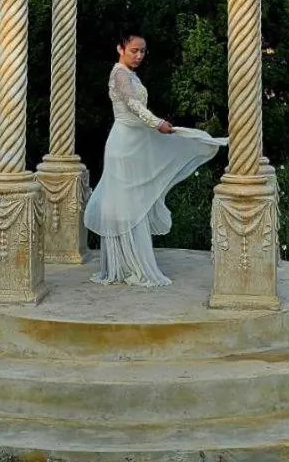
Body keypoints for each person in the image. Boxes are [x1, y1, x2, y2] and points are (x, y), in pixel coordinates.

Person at [83, 32, 227, 286]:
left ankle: (132, 261)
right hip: (124, 143)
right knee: (125, 200)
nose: (139, 56)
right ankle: (125, 264)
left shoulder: (131, 74)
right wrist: (157, 122)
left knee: (134, 199)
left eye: (142, 51)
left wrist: (156, 125)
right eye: (134, 50)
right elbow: (133, 105)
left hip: (137, 140)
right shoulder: (119, 73)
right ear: (120, 49)